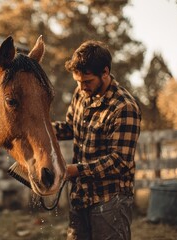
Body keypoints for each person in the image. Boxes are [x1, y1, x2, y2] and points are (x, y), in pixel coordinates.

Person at [53, 40, 141, 240]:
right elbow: (70, 127)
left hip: (111, 200)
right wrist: (44, 128)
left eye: (87, 81)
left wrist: (74, 170)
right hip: (80, 196)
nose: (82, 87)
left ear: (105, 72)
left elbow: (119, 161)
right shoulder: (81, 93)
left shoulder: (124, 108)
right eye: (78, 81)